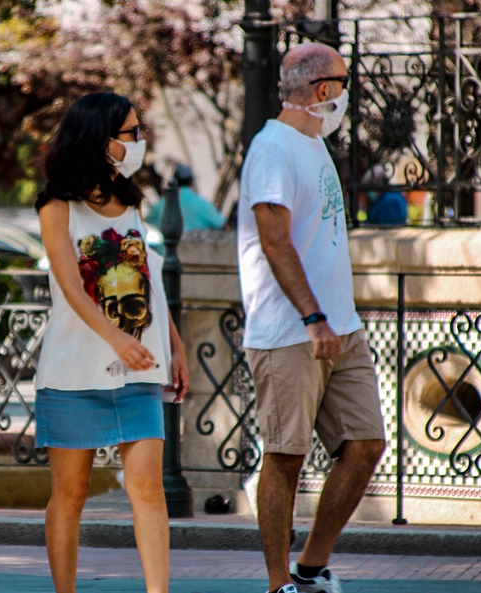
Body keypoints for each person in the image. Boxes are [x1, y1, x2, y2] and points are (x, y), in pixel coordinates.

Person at [237, 43, 387, 593]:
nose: (348, 96)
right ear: (324, 91)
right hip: (292, 332)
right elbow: (275, 243)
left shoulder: (312, 144)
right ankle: (279, 586)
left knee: (366, 444)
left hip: (340, 329)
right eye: (345, 84)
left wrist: (335, 320)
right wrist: (313, 317)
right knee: (285, 456)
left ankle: (311, 567)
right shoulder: (273, 149)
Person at [34, 92, 190, 593]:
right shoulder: (57, 206)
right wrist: (117, 339)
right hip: (74, 370)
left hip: (140, 368)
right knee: (71, 493)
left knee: (148, 486)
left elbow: (150, 279)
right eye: (130, 132)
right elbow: (70, 286)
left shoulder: (131, 202)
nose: (139, 140)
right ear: (100, 140)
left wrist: (175, 347)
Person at [144, 163, 226, 232]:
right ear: (191, 182)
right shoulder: (200, 202)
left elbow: (148, 221)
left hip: (167, 249)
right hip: (195, 249)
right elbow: (220, 224)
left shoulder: (162, 203)